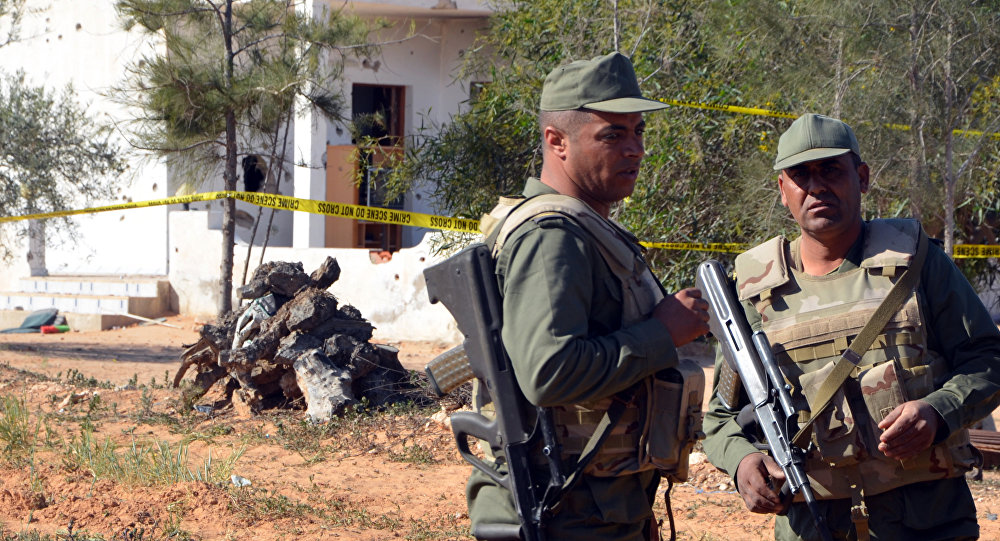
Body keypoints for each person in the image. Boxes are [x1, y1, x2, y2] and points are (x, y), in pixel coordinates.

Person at [702, 113, 1000, 541]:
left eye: (830, 170)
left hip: (927, 520)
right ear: (782, 191)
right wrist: (743, 462)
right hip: (813, 523)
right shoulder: (752, 293)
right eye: (800, 175)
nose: (817, 185)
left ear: (861, 177)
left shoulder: (917, 261)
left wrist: (938, 411)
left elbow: (987, 359)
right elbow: (721, 416)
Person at [465, 52, 711, 540]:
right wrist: (662, 332)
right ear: (556, 141)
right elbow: (548, 371)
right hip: (567, 512)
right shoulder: (551, 236)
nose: (635, 149)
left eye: (639, 132)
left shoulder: (586, 227)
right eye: (612, 135)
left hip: (599, 507)